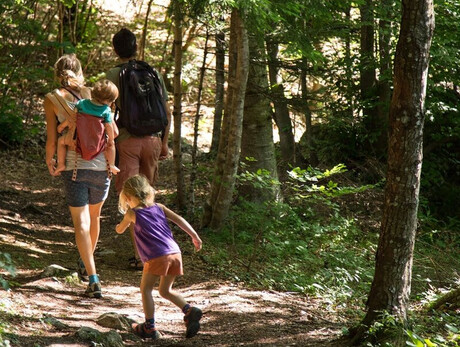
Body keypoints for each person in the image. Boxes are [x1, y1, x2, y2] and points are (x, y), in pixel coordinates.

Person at [44, 53, 109, 298]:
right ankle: (86, 261)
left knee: (80, 222)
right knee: (95, 217)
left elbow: (52, 138)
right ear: (80, 72)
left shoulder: (51, 99)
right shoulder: (94, 93)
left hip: (74, 167)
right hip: (101, 165)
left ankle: (93, 277)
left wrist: (50, 160)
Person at [106, 28, 172, 270]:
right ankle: (156, 250)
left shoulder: (114, 74)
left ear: (115, 49)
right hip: (153, 139)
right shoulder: (153, 72)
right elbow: (168, 111)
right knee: (148, 198)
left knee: (132, 198)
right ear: (137, 47)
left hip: (127, 139)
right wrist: (164, 142)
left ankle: (140, 256)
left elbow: (104, 109)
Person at [116, 175, 203, 339]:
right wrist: (194, 236)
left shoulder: (132, 213)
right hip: (174, 252)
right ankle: (189, 310)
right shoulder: (159, 207)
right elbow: (179, 220)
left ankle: (149, 327)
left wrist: (118, 227)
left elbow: (120, 230)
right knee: (165, 290)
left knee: (146, 289)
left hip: (156, 255)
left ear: (127, 197)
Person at [55, 79, 120, 176]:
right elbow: (110, 130)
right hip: (97, 144)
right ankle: (111, 165)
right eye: (112, 101)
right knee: (111, 144)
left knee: (61, 141)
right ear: (107, 100)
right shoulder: (106, 110)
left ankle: (61, 164)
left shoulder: (82, 103)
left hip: (78, 141)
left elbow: (72, 118)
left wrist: (61, 126)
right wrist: (110, 139)